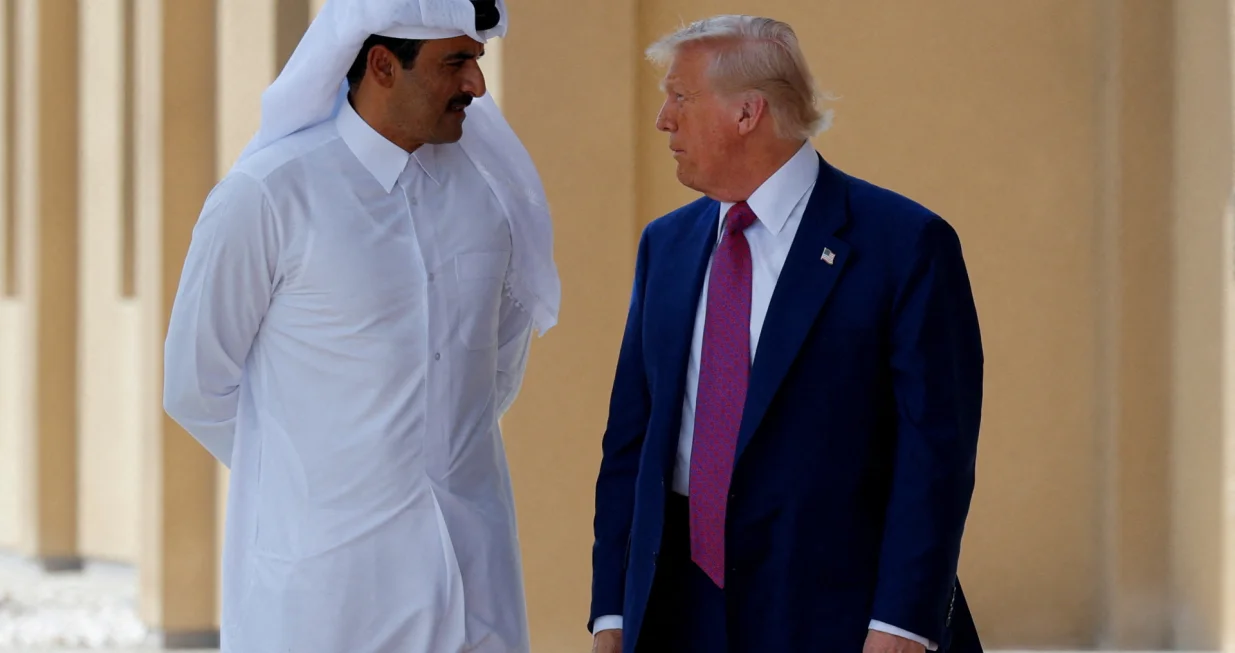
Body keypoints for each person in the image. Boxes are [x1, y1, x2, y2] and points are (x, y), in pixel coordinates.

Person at [161, 0, 559, 651]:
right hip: (328, 599)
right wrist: (315, 478)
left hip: (471, 584)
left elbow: (494, 372)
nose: (477, 86)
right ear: (380, 64)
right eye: (455, 62)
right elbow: (194, 386)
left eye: (476, 61)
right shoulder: (270, 194)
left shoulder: (489, 198)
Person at [589, 15, 983, 653]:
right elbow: (629, 448)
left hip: (836, 615)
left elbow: (934, 456)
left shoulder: (905, 245)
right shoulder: (665, 246)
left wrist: (902, 625)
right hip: (675, 616)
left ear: (747, 112)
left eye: (680, 97)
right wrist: (612, 613)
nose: (663, 119)